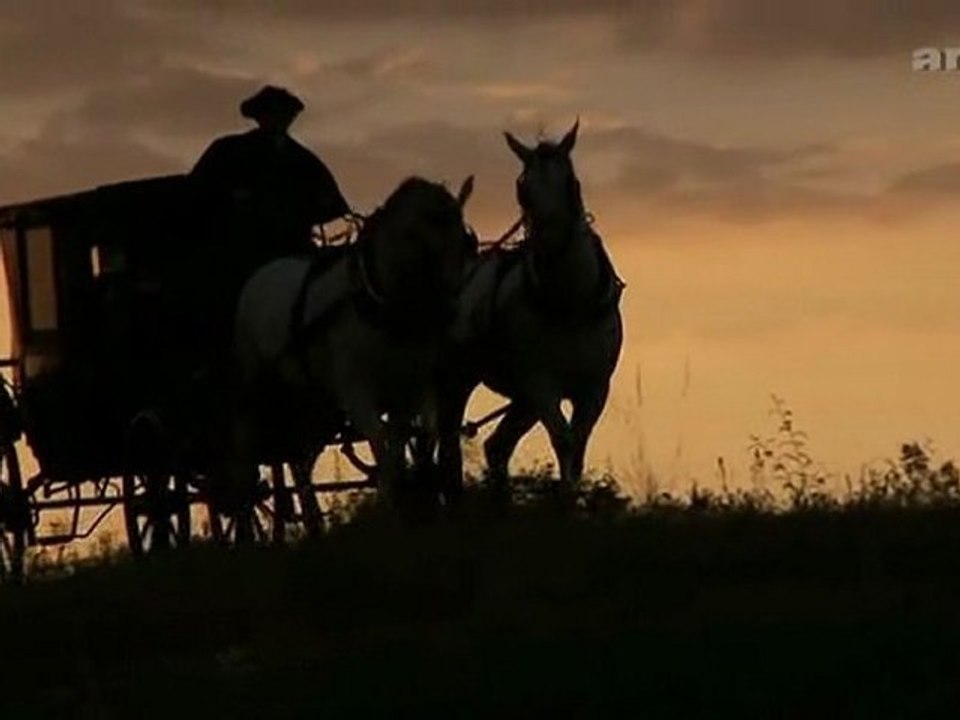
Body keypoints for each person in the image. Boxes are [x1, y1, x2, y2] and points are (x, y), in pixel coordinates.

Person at [184, 85, 353, 359]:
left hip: (292, 248)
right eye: (273, 113)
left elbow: (332, 206)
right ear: (259, 116)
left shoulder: (305, 162)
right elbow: (197, 196)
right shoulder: (229, 152)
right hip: (237, 252)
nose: (278, 119)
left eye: (283, 113)